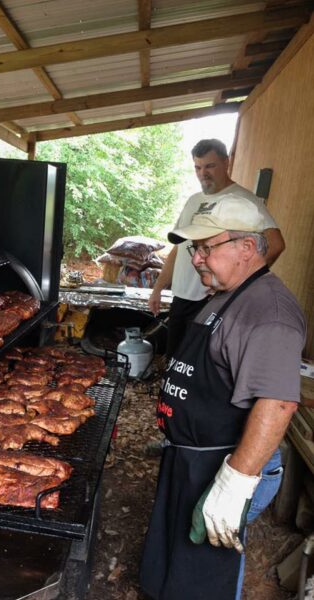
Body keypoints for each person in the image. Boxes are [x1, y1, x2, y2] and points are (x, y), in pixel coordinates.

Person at [140, 193, 305, 600]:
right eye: (194, 248)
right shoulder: (228, 294)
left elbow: (278, 402)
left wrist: (233, 484)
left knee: (203, 574)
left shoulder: (269, 313)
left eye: (205, 247)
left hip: (223, 464)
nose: (195, 258)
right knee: (176, 554)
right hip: (190, 455)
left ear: (247, 248)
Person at [148, 138, 285, 359]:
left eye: (210, 166)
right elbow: (178, 250)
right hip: (181, 297)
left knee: (198, 364)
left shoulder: (243, 200)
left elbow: (276, 244)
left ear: (226, 162)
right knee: (174, 359)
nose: (203, 173)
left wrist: (235, 288)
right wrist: (158, 288)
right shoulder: (193, 201)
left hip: (211, 300)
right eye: (198, 167)